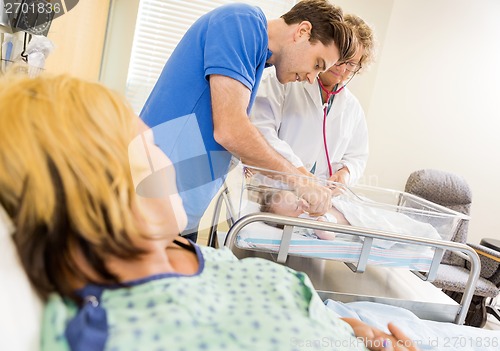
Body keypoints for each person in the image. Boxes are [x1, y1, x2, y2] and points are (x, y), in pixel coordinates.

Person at [0, 73, 420, 351]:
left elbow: (302, 313)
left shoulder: (190, 254)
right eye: (150, 148)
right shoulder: (112, 330)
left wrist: (358, 332)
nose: (168, 159)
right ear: (91, 187)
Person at [140, 0, 358, 242]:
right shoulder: (243, 23)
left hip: (175, 209)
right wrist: (301, 181)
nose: (311, 78)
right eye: (317, 64)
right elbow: (231, 130)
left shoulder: (255, 60)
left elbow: (224, 128)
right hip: (148, 201)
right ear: (302, 31)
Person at [250, 13, 375, 186]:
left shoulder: (353, 108)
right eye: (342, 59)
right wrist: (302, 178)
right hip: (272, 192)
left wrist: (346, 173)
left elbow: (358, 156)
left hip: (319, 200)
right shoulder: (282, 79)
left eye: (352, 64)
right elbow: (262, 134)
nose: (343, 68)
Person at [258, 187, 442, 247]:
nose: (302, 204)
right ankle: (424, 238)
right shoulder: (307, 223)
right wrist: (322, 226)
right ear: (287, 222)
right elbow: (329, 235)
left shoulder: (310, 205)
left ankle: (428, 235)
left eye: (297, 198)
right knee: (393, 227)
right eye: (296, 207)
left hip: (358, 211)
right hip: (361, 225)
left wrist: (333, 193)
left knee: (393, 218)